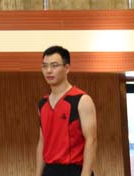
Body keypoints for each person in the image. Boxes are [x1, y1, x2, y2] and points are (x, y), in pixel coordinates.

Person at [36, 46, 97, 176]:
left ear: (67, 68)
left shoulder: (82, 100)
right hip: (49, 170)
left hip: (74, 170)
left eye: (54, 65)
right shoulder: (42, 104)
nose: (48, 70)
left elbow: (91, 140)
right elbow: (42, 142)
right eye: (45, 66)